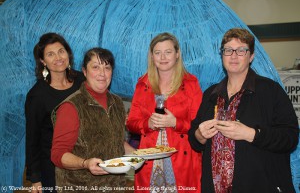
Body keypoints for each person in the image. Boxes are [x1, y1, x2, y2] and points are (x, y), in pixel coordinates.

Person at [188, 28, 299, 193]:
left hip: (260, 186)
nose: (233, 55)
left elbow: (290, 138)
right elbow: (194, 140)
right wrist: (199, 134)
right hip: (214, 187)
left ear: (251, 56)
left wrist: (250, 134)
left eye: (241, 50)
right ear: (222, 55)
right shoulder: (211, 94)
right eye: (228, 50)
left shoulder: (271, 91)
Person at [51, 47, 135, 192]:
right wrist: (85, 163)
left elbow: (115, 141)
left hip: (115, 187)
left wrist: (138, 155)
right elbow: (58, 155)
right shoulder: (71, 106)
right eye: (95, 67)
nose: (102, 73)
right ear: (84, 71)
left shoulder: (117, 103)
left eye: (107, 67)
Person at [126, 32, 203, 192]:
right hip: (149, 159)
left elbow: (200, 126)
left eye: (168, 52)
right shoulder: (143, 84)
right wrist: (147, 124)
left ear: (177, 54)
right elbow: (131, 123)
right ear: (152, 56)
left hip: (183, 159)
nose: (163, 57)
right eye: (157, 52)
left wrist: (175, 123)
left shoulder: (191, 83)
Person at [25, 32, 85, 193]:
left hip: (86, 162)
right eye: (50, 54)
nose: (58, 57)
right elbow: (32, 138)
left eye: (61, 51)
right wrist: (35, 179)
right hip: (54, 169)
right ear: (43, 61)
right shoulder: (37, 95)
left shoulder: (83, 81)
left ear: (68, 54)